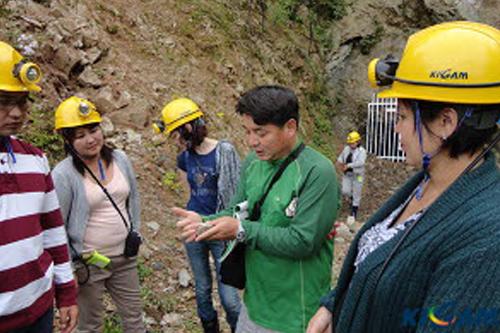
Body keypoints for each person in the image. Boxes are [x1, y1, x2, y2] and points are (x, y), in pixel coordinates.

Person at [307, 21, 500, 333]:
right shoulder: (428, 182)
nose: (395, 129)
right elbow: (384, 271)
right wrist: (335, 306)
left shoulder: (486, 240)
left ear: (446, 122)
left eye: (401, 117)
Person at [175, 85, 339, 333]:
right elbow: (236, 211)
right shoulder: (253, 162)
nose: (252, 141)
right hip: (253, 307)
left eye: (261, 133)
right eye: (248, 131)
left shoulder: (317, 171)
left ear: (290, 127)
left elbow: (303, 241)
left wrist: (241, 230)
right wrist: (205, 221)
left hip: (296, 316)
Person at [0, 41, 78, 333]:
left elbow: (52, 230)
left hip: (38, 311)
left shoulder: (35, 159)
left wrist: (66, 291)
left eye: (21, 101)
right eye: (3, 101)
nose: (17, 112)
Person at [51, 96, 145, 333]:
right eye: (80, 135)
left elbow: (132, 197)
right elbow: (56, 224)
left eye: (94, 130)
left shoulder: (120, 159)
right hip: (88, 264)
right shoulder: (64, 174)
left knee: (135, 320)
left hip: (125, 258)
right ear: (68, 140)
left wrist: (135, 232)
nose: (91, 139)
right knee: (90, 325)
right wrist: (70, 266)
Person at [153, 97, 241, 333]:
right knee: (202, 289)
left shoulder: (225, 151)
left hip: (220, 228)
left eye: (178, 134)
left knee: (229, 296)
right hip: (194, 230)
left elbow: (236, 193)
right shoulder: (184, 157)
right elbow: (189, 193)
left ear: (190, 127)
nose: (177, 141)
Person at [335, 131, 366, 221]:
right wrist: (339, 162)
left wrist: (348, 165)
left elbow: (361, 162)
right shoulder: (346, 149)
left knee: (357, 191)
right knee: (345, 191)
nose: (351, 144)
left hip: (358, 174)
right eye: (350, 143)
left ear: (357, 142)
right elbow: (341, 157)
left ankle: (354, 210)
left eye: (352, 143)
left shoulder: (362, 151)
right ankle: (351, 197)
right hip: (347, 174)